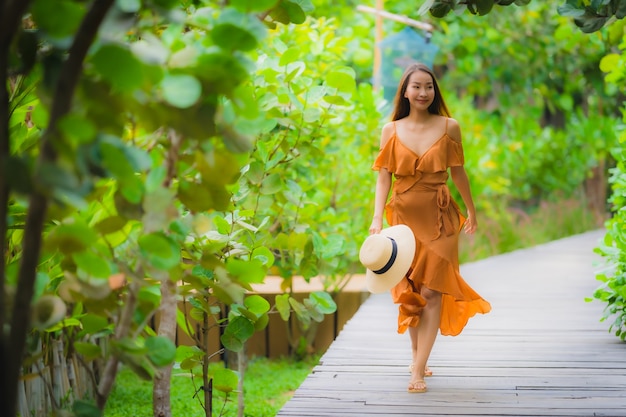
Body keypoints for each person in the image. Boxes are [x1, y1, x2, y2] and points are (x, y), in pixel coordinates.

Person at [368, 63, 491, 394]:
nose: (423, 93)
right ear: (405, 92)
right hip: (403, 220)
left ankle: (418, 370)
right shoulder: (390, 130)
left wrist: (471, 209)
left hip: (441, 218)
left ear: (434, 92)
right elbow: (383, 176)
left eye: (429, 87)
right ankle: (416, 354)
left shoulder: (450, 126)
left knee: (433, 290)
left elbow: (459, 172)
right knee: (411, 289)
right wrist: (377, 218)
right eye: (417, 87)